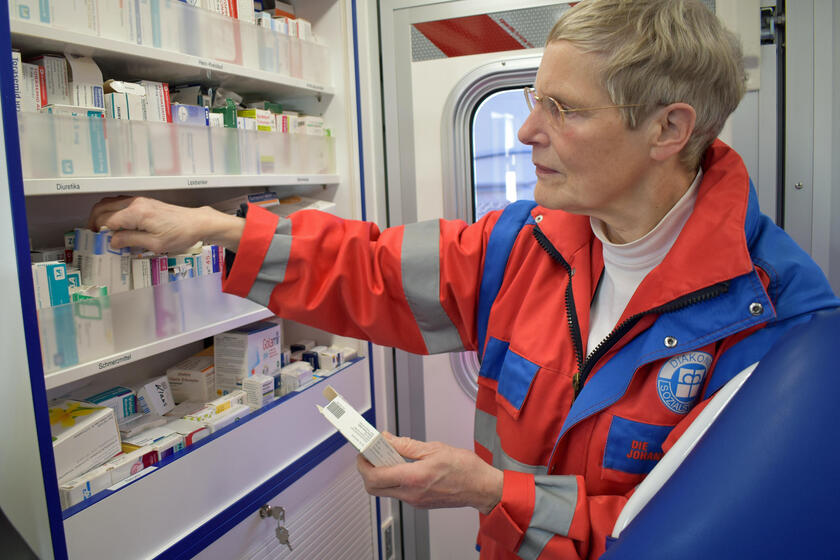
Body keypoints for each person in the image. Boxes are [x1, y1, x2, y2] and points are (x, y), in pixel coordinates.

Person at [88, 1, 839, 558]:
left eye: (564, 109)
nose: (526, 131)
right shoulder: (527, 243)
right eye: (531, 98)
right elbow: (373, 267)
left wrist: (490, 492)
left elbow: (692, 538)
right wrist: (217, 230)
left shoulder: (779, 326)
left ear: (669, 131)